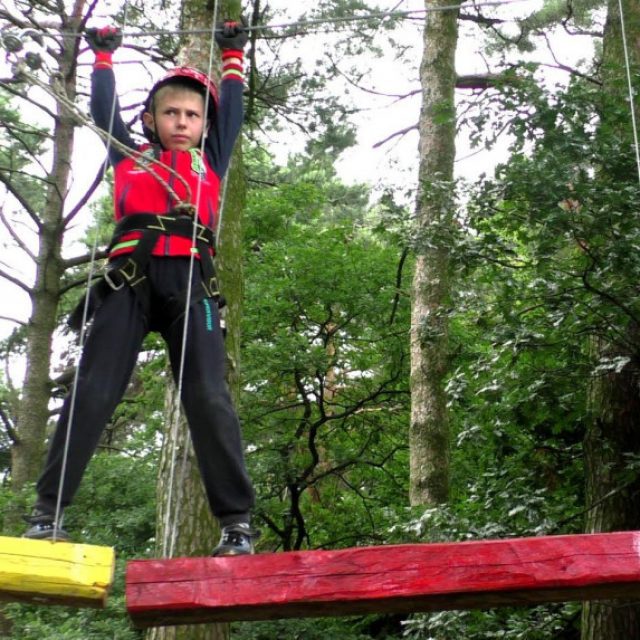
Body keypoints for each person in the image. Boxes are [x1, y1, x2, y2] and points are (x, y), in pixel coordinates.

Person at [23, 21, 258, 556]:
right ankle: (47, 514)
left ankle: (237, 524)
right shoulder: (129, 157)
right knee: (94, 389)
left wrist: (233, 55)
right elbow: (104, 114)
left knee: (209, 397)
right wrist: (103, 58)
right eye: (171, 112)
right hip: (129, 281)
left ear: (204, 124)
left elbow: (234, 112)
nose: (182, 122)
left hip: (193, 284)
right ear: (151, 120)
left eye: (192, 115)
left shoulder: (211, 161)